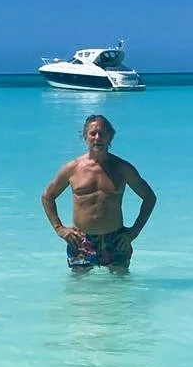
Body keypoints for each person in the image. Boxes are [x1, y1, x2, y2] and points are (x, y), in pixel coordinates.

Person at [41, 113, 157, 271]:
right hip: (80, 240)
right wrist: (59, 229)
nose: (97, 137)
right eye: (93, 133)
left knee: (120, 291)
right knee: (79, 292)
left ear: (110, 137)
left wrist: (133, 232)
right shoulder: (72, 169)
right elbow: (48, 196)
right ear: (85, 136)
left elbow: (149, 197)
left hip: (116, 239)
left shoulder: (122, 168)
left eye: (102, 133)